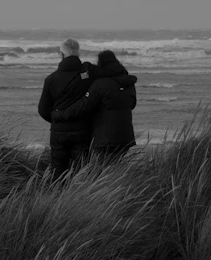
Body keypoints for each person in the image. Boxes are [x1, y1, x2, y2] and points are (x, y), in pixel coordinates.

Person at [51, 49, 137, 162]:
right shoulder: (128, 84)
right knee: (114, 168)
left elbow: (82, 106)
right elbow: (132, 104)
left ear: (100, 63)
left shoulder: (100, 84)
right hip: (125, 138)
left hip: (104, 139)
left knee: (99, 171)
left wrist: (60, 114)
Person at [38, 37, 93, 179]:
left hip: (59, 131)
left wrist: (58, 120)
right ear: (78, 54)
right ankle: (80, 198)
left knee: (58, 169)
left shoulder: (51, 79)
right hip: (82, 130)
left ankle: (57, 198)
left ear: (61, 55)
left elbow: (43, 109)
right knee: (81, 170)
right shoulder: (87, 76)